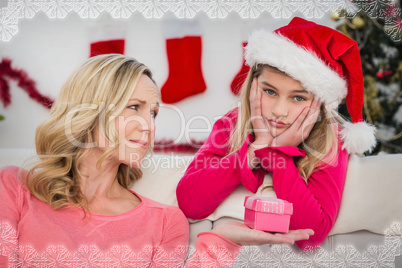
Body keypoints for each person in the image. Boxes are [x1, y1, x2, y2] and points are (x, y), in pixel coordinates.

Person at [0, 54, 313, 267]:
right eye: (135, 107)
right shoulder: (14, 188)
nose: (149, 126)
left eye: (153, 113)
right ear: (90, 111)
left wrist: (223, 241)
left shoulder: (163, 221)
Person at [176, 17, 377, 251]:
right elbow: (190, 203)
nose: (279, 111)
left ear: (319, 104)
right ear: (253, 84)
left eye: (298, 97)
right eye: (269, 91)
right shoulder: (232, 123)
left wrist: (277, 154)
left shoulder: (329, 139)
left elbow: (310, 237)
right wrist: (254, 150)